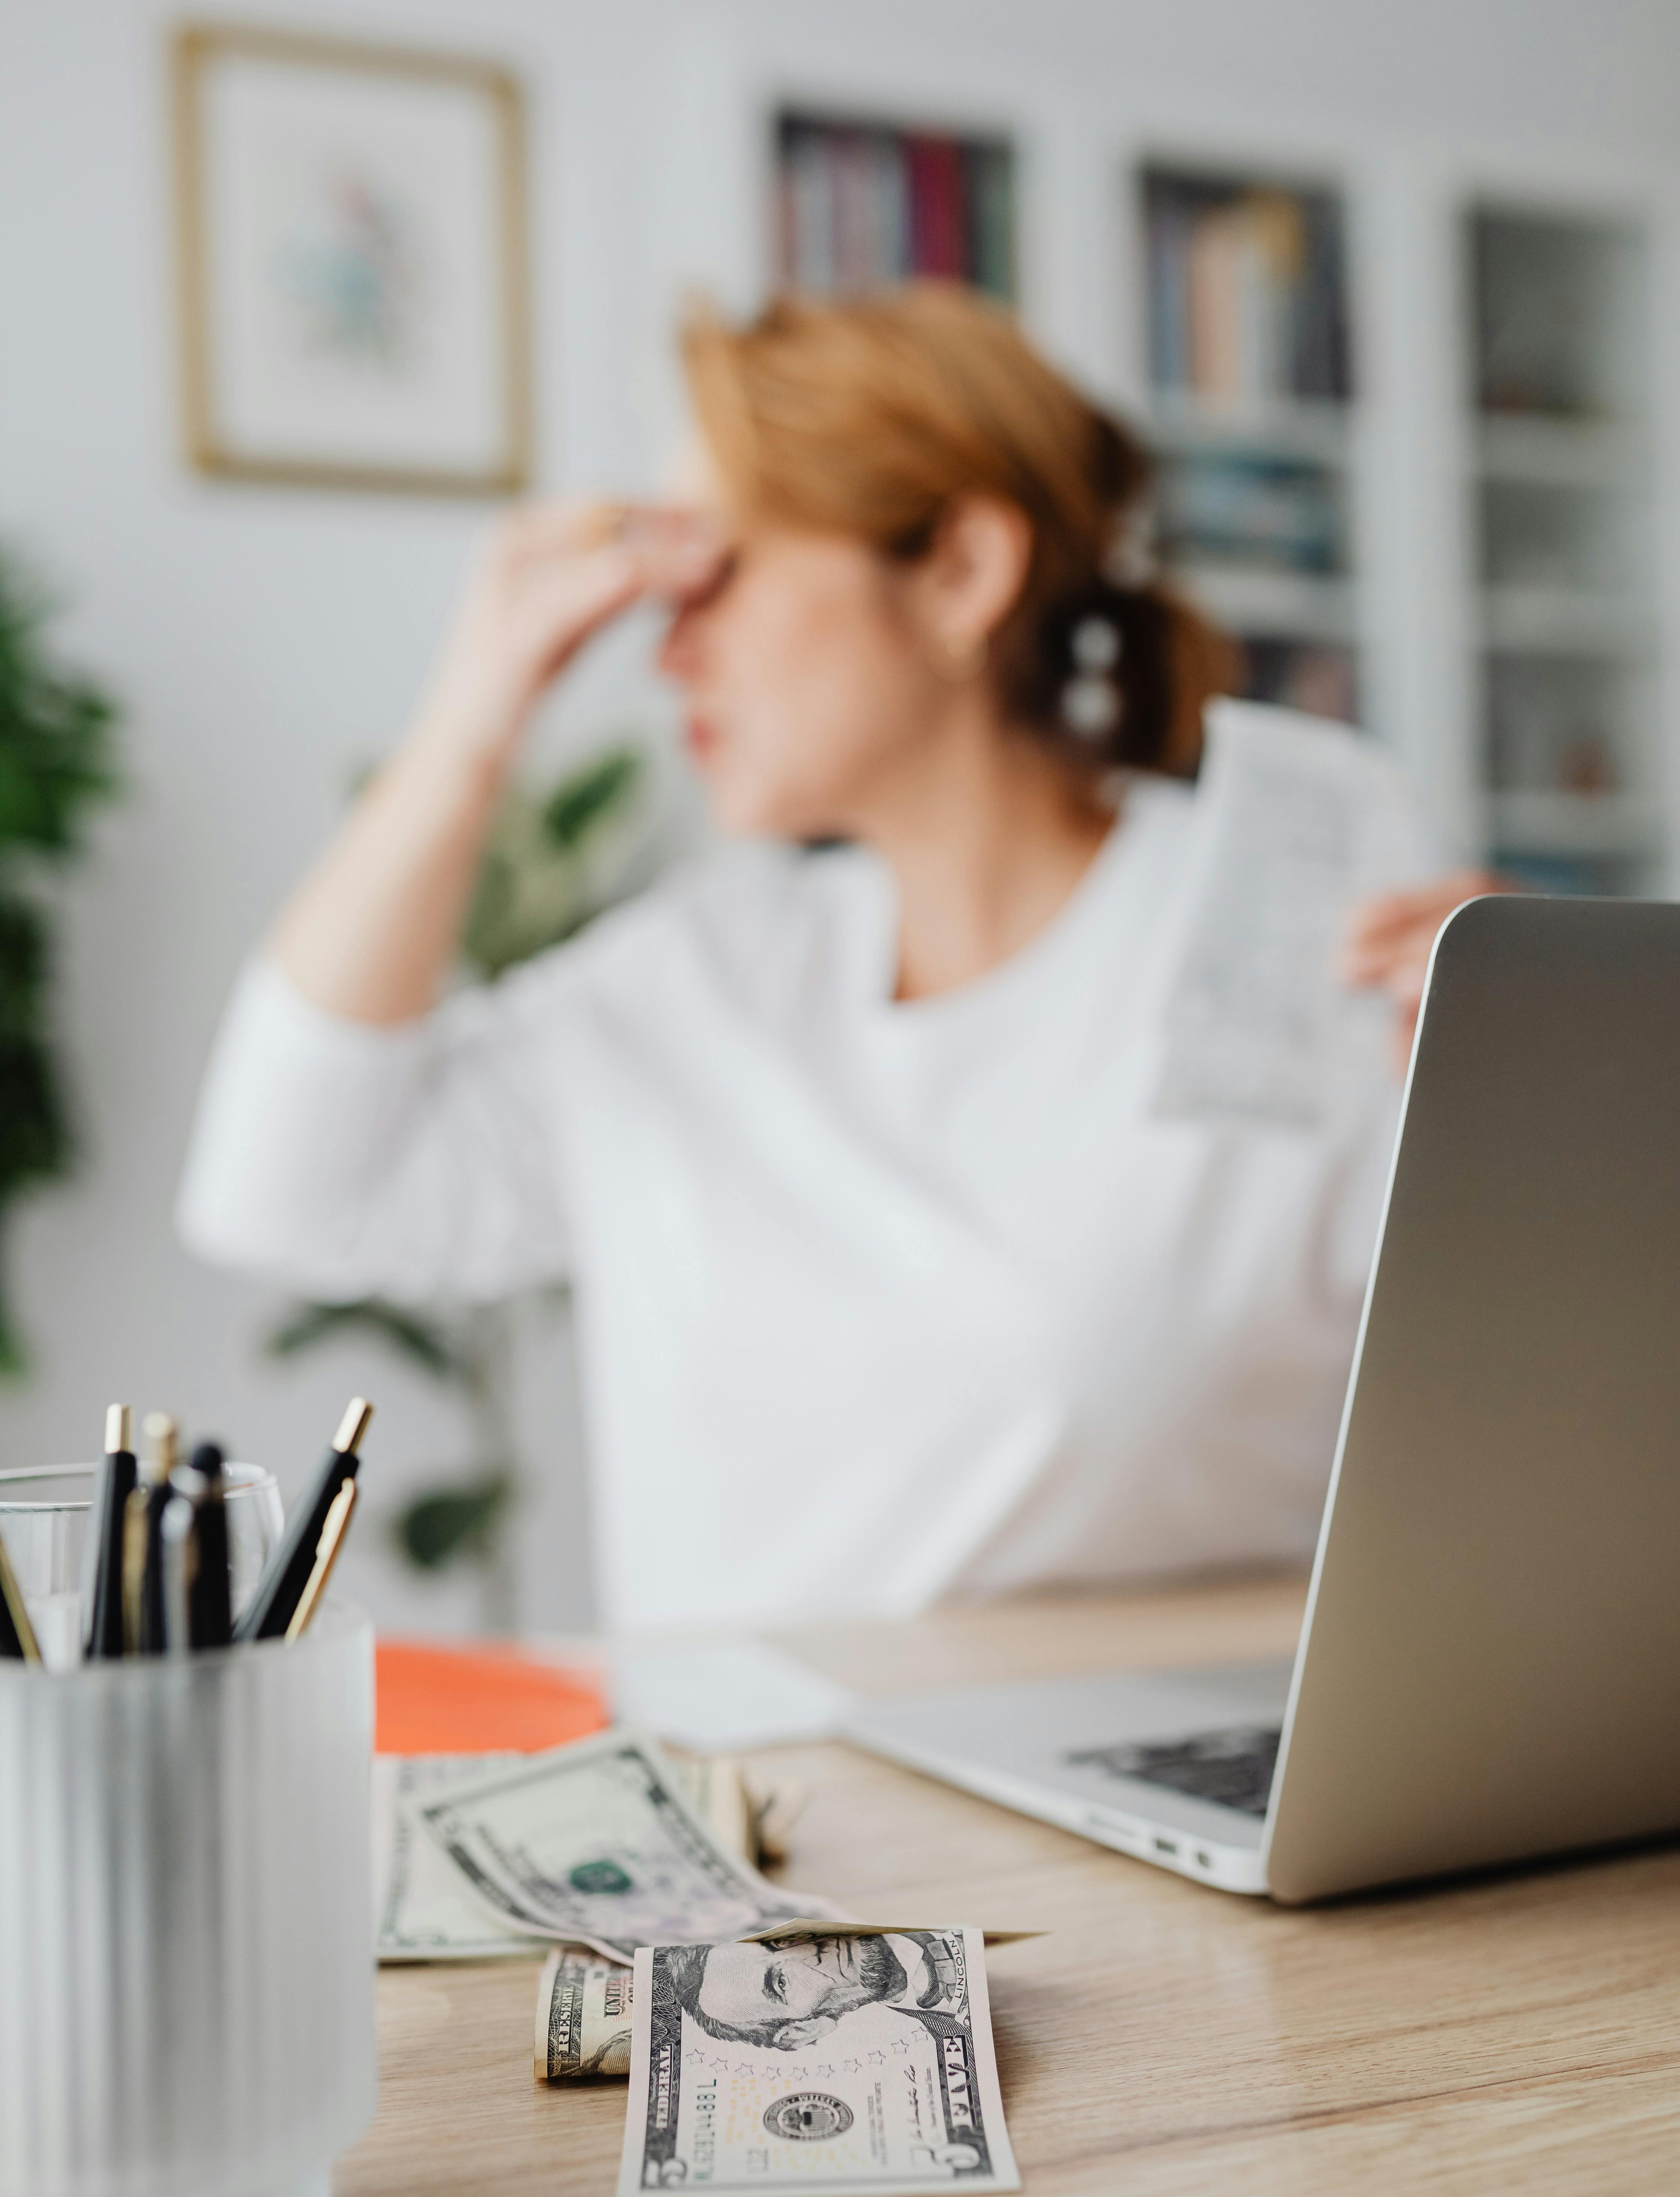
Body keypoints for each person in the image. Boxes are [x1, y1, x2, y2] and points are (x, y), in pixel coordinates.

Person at [177, 284, 1488, 1629]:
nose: (667, 643)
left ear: (962, 570)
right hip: (737, 1814)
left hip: (1144, 1805)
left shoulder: (1296, 933)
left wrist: (1566, 1083)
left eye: (721, 568)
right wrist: (472, 716)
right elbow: (281, 1193)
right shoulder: (692, 978)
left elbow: (1550, 1427)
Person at [660, 1931, 966, 2053]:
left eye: (777, 1944)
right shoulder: (938, 2032)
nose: (809, 1952)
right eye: (781, 1982)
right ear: (805, 2028)